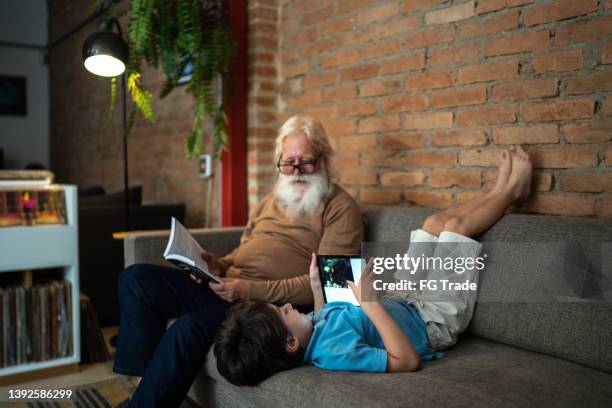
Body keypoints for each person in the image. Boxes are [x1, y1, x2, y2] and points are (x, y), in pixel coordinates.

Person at [213, 146, 533, 385]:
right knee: (455, 231)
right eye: (281, 312)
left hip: (405, 299)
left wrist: (316, 287)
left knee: (433, 223)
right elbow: (406, 361)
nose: (285, 306)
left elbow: (324, 313)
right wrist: (368, 302)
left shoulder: (310, 333)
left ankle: (497, 192)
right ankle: (510, 192)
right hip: (432, 321)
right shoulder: (334, 351)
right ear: (290, 343)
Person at [112, 115, 363, 407]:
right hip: (228, 288)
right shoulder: (272, 199)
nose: (295, 171)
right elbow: (245, 250)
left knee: (189, 328)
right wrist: (218, 265)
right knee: (135, 279)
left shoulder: (341, 208)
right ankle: (144, 388)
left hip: (270, 308)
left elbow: (330, 288)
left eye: (305, 161)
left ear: (324, 159)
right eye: (287, 162)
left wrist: (247, 290)